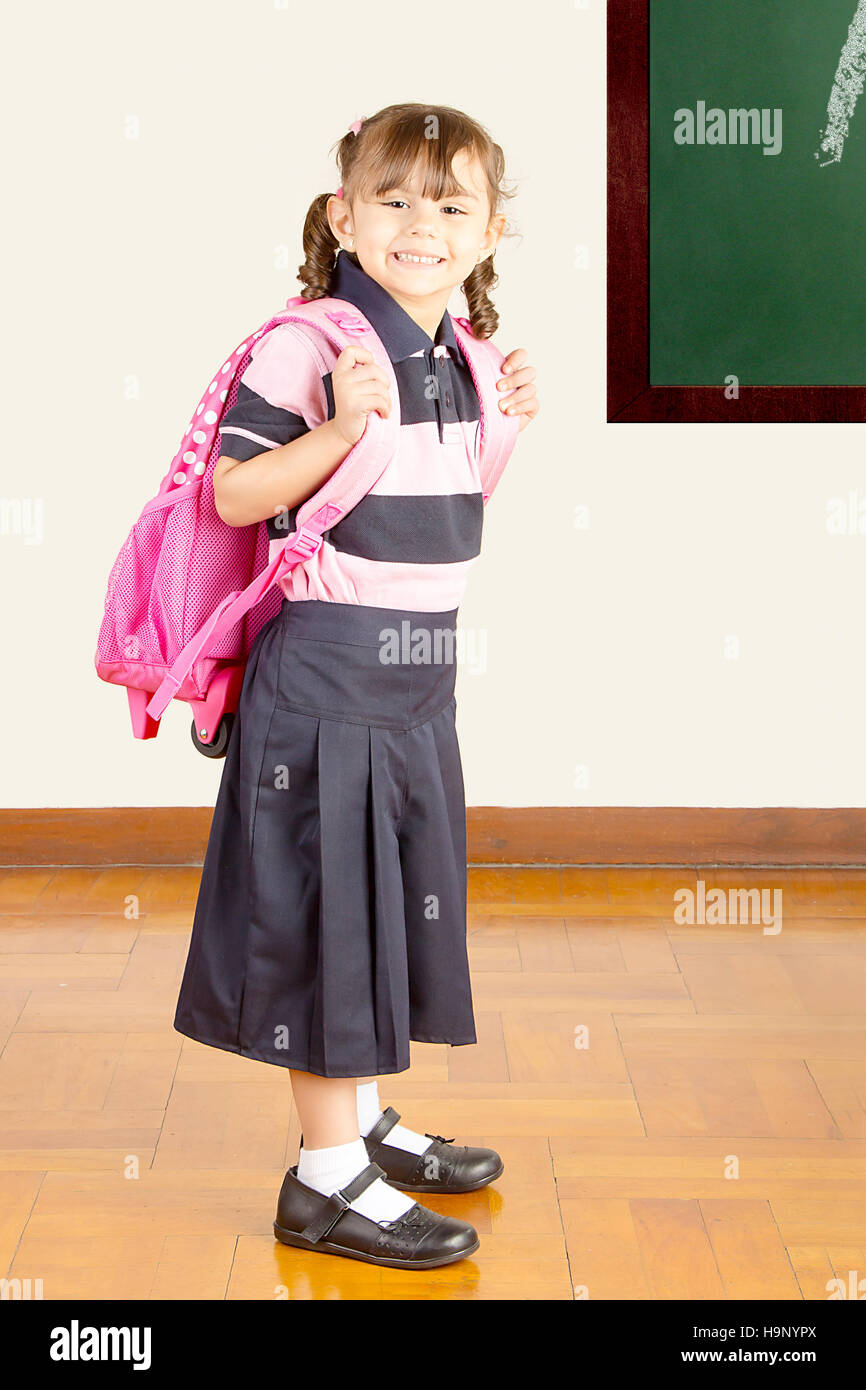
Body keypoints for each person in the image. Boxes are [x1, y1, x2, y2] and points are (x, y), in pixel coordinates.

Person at [173, 102, 539, 1269]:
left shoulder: (461, 354)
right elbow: (233, 499)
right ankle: (322, 1179)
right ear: (343, 213)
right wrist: (334, 430)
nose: (419, 223)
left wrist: (506, 427)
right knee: (328, 911)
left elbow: (438, 520)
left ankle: (363, 1122)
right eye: (392, 198)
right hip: (325, 677)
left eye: (450, 203)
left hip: (417, 683)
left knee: (387, 898)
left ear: (488, 232)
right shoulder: (310, 343)